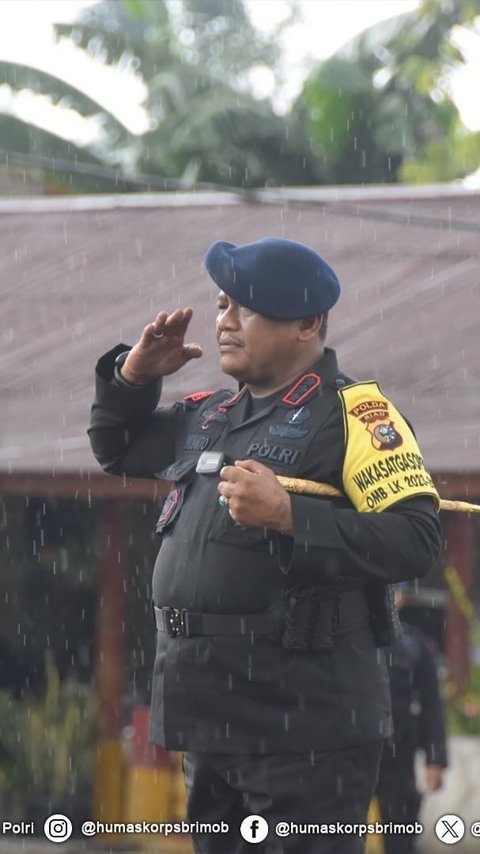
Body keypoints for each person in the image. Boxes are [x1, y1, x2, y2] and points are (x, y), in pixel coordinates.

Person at [89, 237, 442, 854]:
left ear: (307, 323)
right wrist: (132, 377)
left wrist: (292, 516)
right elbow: (116, 448)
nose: (223, 322)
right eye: (222, 304)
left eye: (244, 308)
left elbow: (415, 540)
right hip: (209, 714)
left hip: (305, 722)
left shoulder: (356, 415)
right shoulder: (211, 416)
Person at [375, 587, 447, 854]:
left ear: (402, 597)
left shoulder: (416, 646)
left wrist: (435, 758)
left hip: (398, 752)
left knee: (401, 831)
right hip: (351, 752)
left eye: (393, 591)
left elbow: (432, 706)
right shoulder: (349, 640)